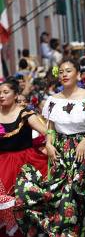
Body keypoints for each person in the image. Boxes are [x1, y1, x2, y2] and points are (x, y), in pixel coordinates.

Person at [13, 59, 85, 236]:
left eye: (68, 71)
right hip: (60, 153)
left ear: (77, 74)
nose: (64, 75)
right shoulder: (53, 101)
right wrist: (49, 145)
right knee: (62, 200)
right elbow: (50, 129)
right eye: (60, 72)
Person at [0, 79, 48, 236]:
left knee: (26, 203)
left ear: (15, 95)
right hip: (2, 164)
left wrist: (49, 147)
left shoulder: (25, 113)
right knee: (5, 205)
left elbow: (47, 132)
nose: (1, 96)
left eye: (5, 92)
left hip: (26, 163)